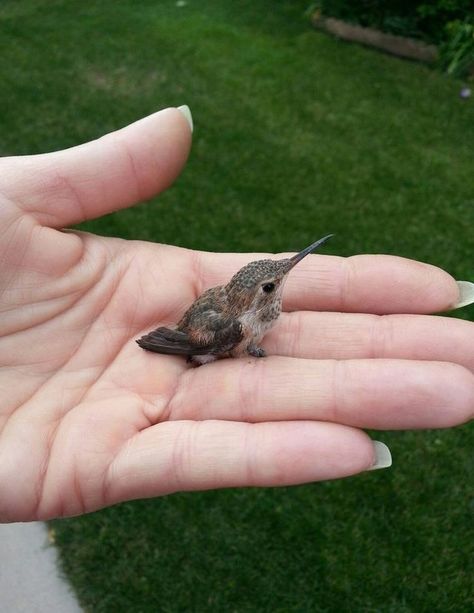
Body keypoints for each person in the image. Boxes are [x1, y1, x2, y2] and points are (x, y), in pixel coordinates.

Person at [0, 106, 472, 523]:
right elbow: (199, 342)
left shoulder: (250, 306)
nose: (284, 278)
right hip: (199, 343)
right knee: (215, 348)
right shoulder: (232, 325)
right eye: (274, 283)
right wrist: (208, 346)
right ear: (257, 296)